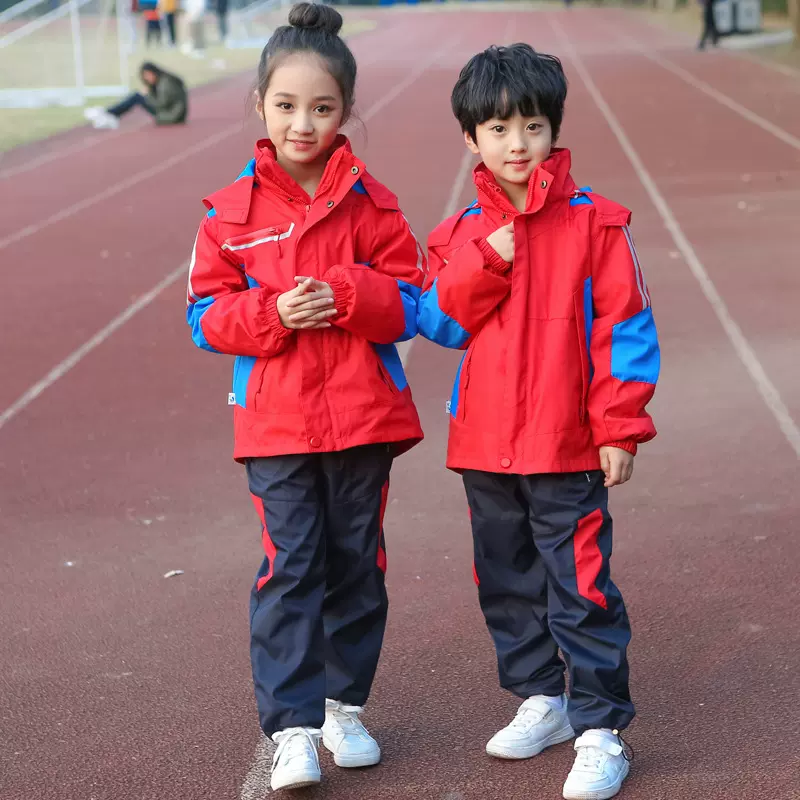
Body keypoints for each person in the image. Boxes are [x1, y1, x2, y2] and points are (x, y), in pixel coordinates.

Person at [186, 3, 426, 792]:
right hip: (277, 424)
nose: (302, 123)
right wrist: (273, 313)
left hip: (364, 418)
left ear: (346, 111)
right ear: (260, 104)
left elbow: (413, 303)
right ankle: (291, 727)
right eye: (286, 105)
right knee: (291, 567)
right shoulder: (227, 213)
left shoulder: (374, 205)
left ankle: (343, 707)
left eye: (322, 108)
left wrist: (353, 295)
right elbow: (204, 317)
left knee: (355, 563)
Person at [417, 44, 659, 800]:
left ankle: (600, 729)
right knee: (507, 581)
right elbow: (439, 322)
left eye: (531, 125)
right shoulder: (456, 235)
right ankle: (542, 699)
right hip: (484, 445)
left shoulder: (597, 225)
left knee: (581, 587)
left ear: (554, 128)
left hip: (568, 444)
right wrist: (487, 259)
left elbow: (626, 329)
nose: (516, 143)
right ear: (471, 139)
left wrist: (619, 425)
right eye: (497, 129)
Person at [84, 63, 187, 129]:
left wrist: (148, 95)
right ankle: (110, 114)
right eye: (145, 76)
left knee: (137, 97)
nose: (147, 78)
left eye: (148, 75)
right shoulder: (163, 81)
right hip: (169, 112)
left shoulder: (166, 83)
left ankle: (109, 113)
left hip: (170, 115)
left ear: (154, 72)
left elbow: (162, 104)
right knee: (137, 96)